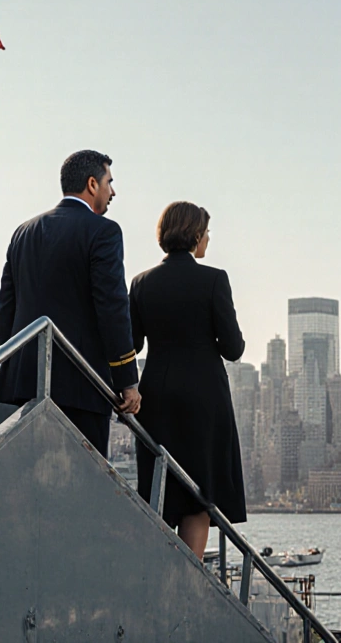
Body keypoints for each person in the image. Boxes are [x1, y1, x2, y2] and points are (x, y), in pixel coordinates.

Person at [0, 150, 140, 457]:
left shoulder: (24, 232)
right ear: (91, 184)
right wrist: (127, 380)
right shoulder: (104, 231)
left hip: (27, 386)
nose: (113, 191)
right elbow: (112, 308)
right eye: (109, 182)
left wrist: (18, 362)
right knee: (81, 489)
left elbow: (6, 307)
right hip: (82, 387)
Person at [130, 202, 246, 556]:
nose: (208, 239)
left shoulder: (141, 282)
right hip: (204, 398)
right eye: (206, 233)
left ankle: (160, 571)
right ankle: (188, 582)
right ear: (195, 235)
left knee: (163, 490)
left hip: (157, 398)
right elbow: (233, 348)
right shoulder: (214, 279)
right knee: (198, 497)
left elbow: (132, 343)